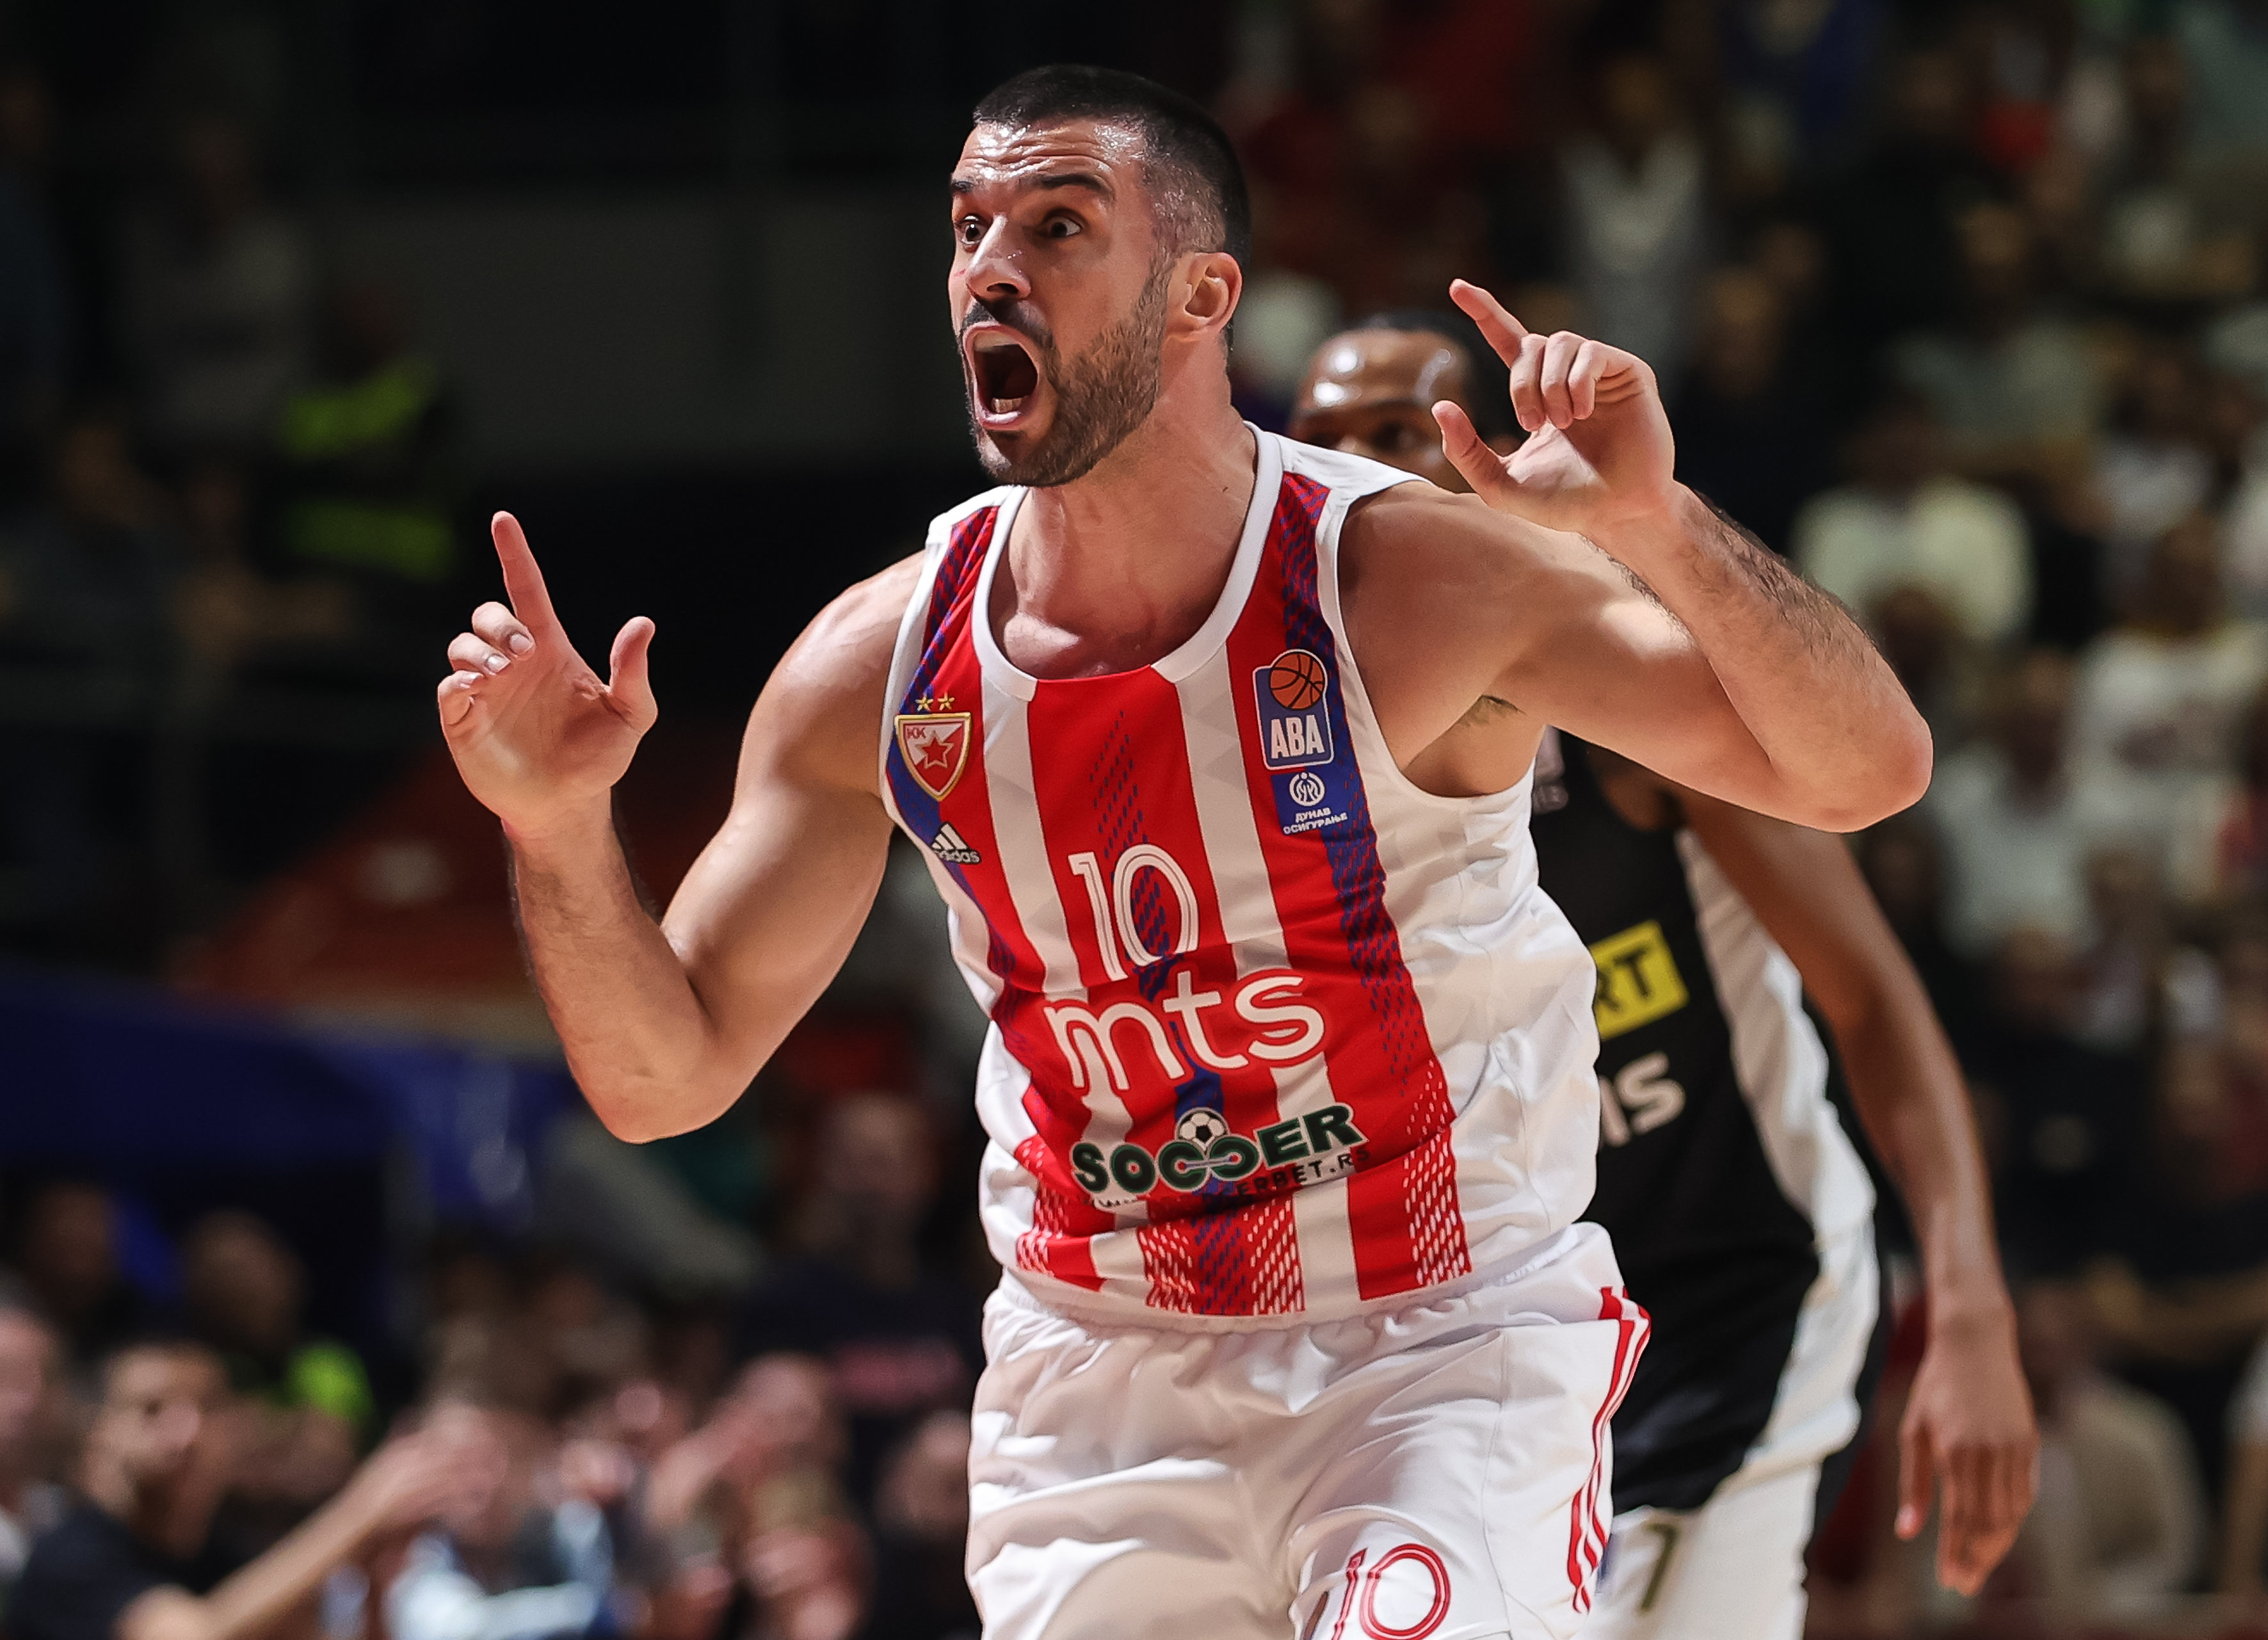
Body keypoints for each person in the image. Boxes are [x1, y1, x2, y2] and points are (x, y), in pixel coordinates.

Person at [432, 64, 1931, 1637]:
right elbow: (663, 1079)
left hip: (1435, 1347)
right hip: (1101, 1380)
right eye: (966, 229)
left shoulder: (1408, 582)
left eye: (1058, 224)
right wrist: (555, 829)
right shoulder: (875, 668)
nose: (989, 268)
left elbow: (1868, 771)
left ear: (1205, 291)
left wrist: (1660, 523)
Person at [1293, 319, 2036, 1636]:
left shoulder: (1618, 706)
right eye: (1327, 440)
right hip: (1497, 1328)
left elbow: (1869, 996)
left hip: (1734, 1296)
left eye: (1398, 436)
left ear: (1482, 461)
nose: (1357, 472)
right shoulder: (1305, 747)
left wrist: (1967, 1307)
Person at [7, 1337, 470, 1640]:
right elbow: (197, 1635)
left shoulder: (230, 1556)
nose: (186, 1432)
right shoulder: (68, 1557)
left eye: (206, 1408)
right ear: (99, 1433)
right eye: (152, 1410)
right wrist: (360, 1510)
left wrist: (372, 1579)